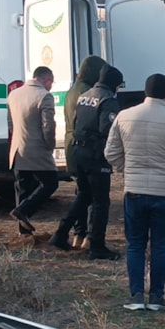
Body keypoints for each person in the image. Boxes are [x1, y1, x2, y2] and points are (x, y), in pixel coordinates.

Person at [105, 74, 165, 311]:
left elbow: (110, 152)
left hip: (135, 190)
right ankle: (157, 297)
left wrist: (128, 170)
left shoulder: (124, 116)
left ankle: (136, 295)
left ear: (145, 93)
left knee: (135, 245)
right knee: (160, 246)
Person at [48, 65, 123, 260]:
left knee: (84, 196)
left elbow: (75, 122)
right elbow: (108, 130)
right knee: (101, 202)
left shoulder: (84, 95)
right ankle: (97, 246)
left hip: (78, 151)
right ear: (113, 84)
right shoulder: (108, 100)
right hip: (96, 155)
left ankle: (61, 233)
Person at [7, 66, 59, 235]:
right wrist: (50, 145)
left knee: (22, 188)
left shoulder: (13, 94)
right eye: (51, 83)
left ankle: (23, 232)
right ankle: (24, 210)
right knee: (50, 183)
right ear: (46, 79)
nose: (51, 87)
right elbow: (48, 126)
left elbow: (10, 122)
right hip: (37, 150)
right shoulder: (44, 96)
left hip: (17, 150)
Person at [64, 55, 108, 248]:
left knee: (81, 193)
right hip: (86, 147)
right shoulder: (87, 92)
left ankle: (78, 234)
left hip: (72, 146)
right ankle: (87, 236)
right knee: (89, 197)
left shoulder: (72, 90)